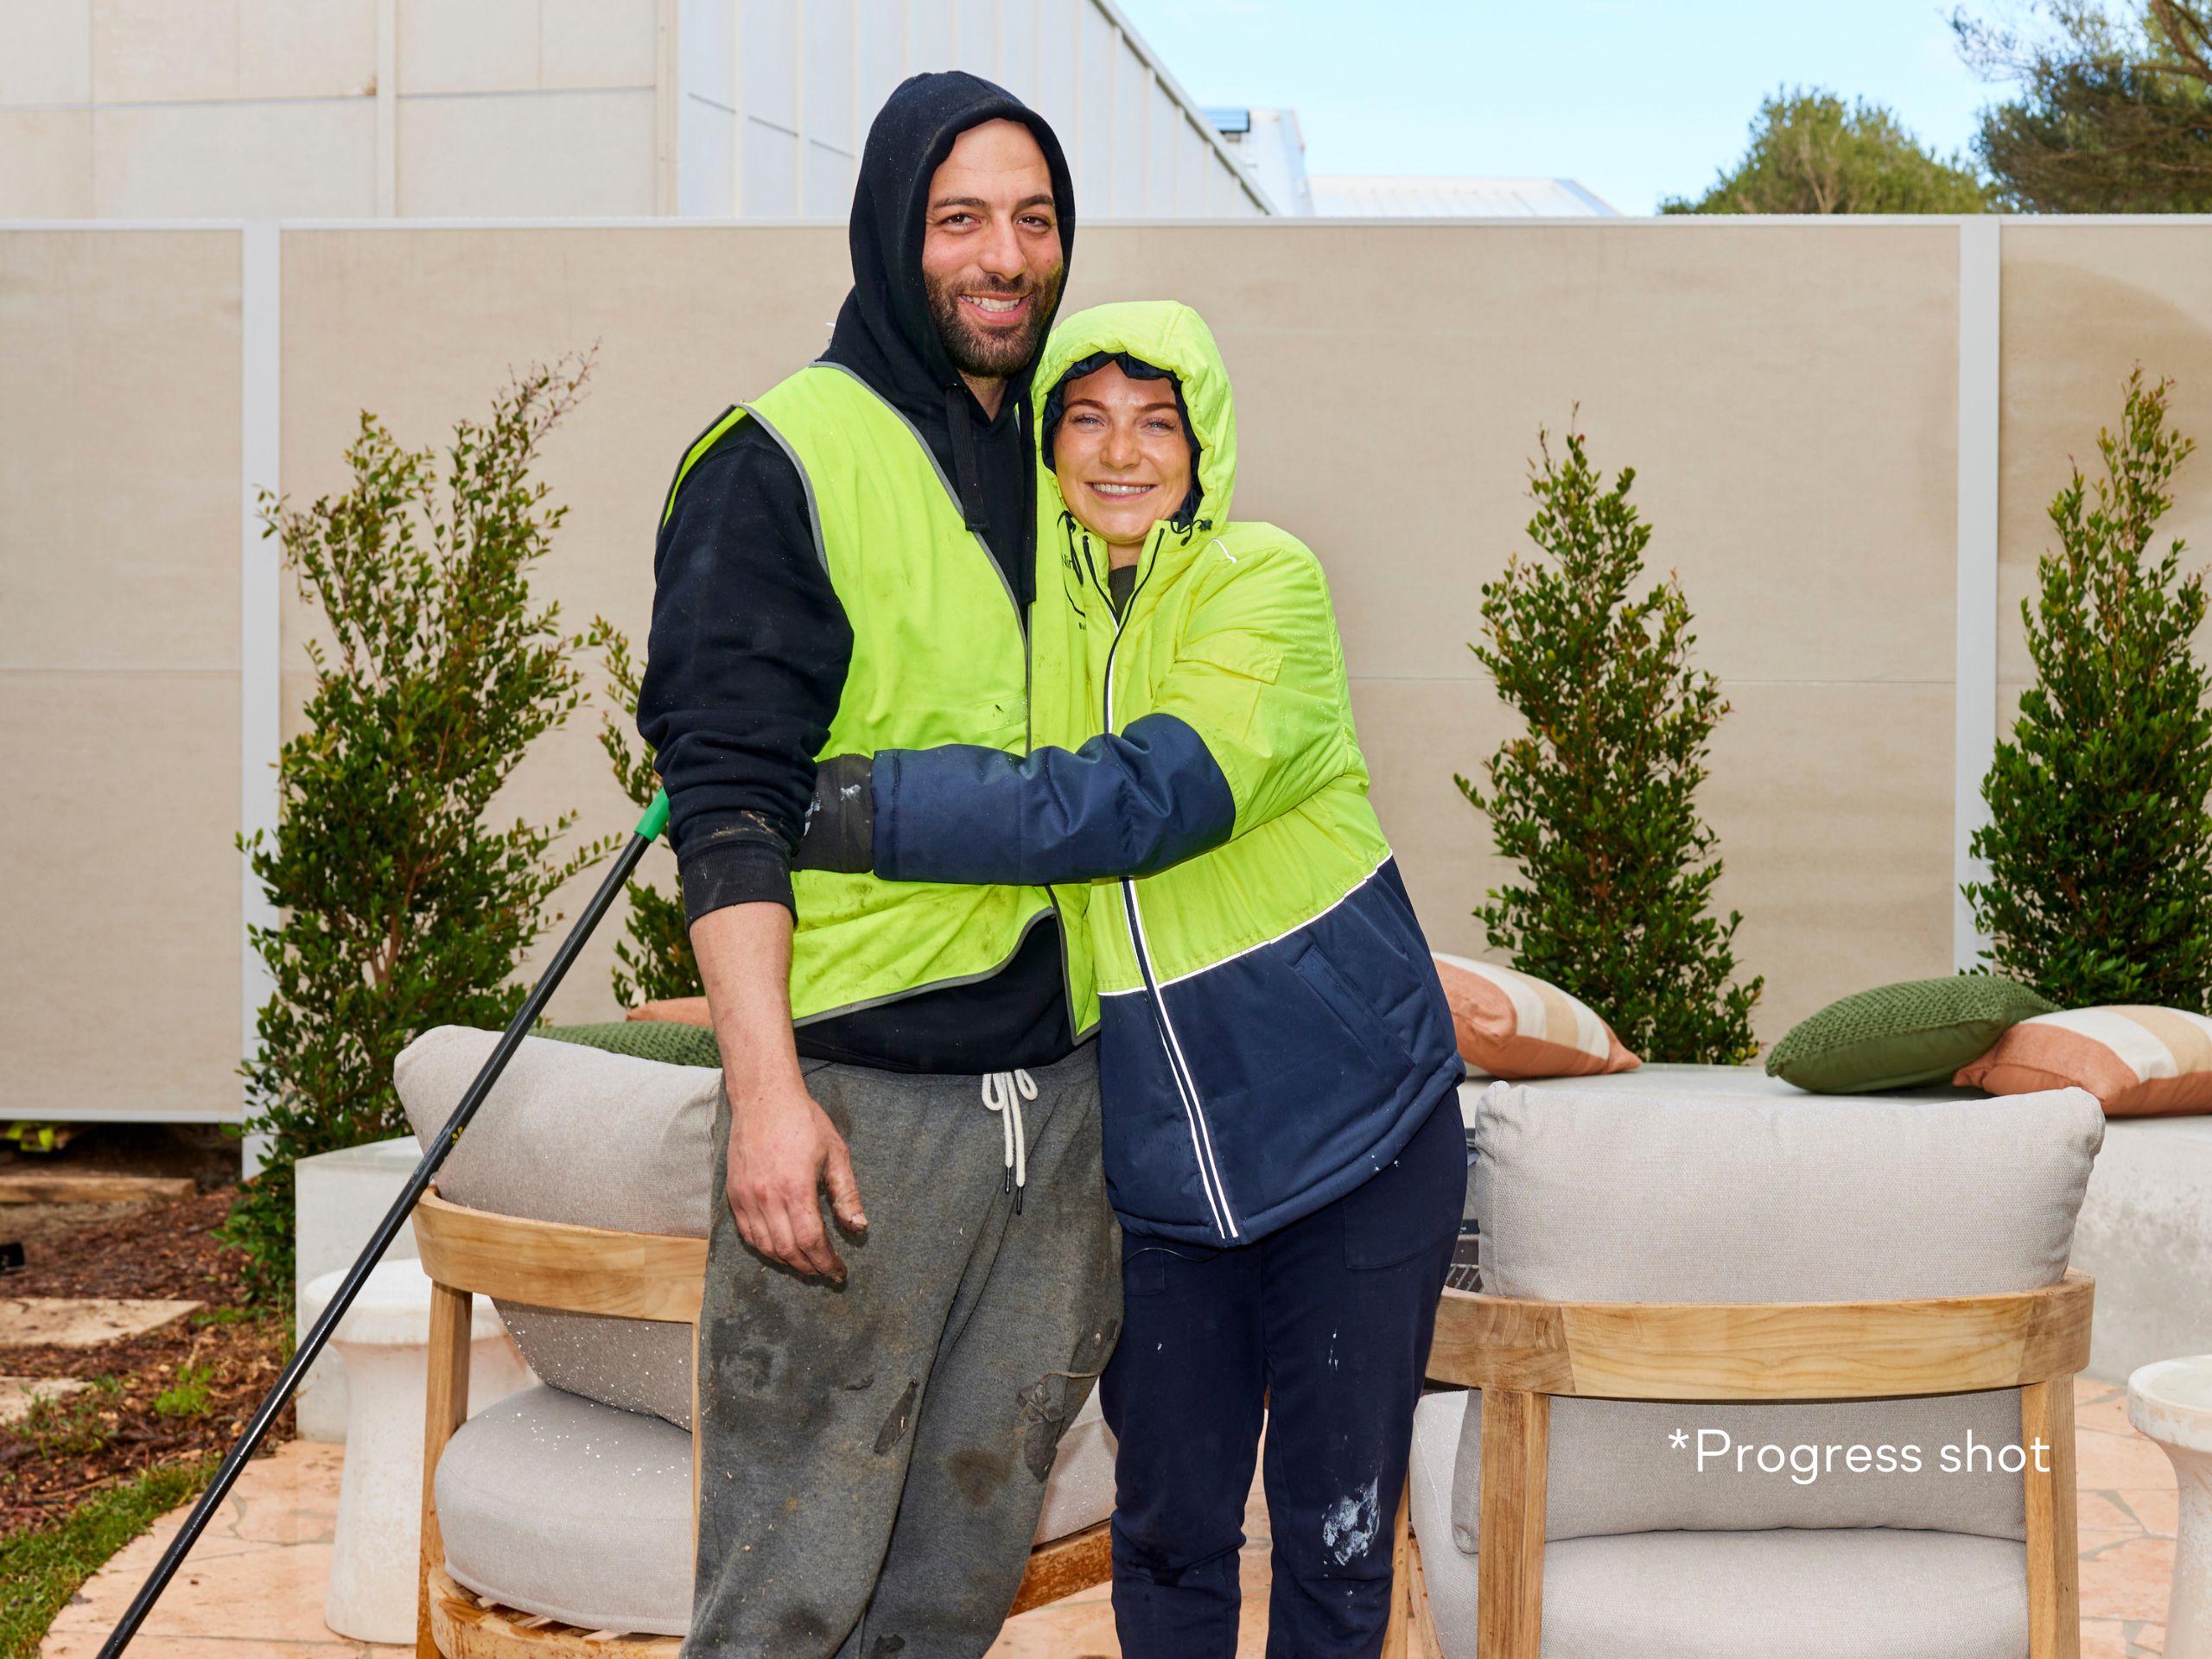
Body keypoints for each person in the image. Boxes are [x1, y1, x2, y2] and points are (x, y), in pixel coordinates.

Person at [799, 300, 1469, 1658]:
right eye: (1086, 418)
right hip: (1161, 1180)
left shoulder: (1262, 581)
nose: (1120, 452)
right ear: (1045, 448)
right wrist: (749, 751)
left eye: (1156, 421)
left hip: (1358, 1145)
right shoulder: (1032, 619)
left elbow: (1141, 798)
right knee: (1166, 1537)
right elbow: (919, 695)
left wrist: (853, 809)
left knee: (1336, 1549)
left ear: (1202, 440)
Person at [636, 73, 1121, 1659]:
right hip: (860, 1113)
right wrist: (768, 1100)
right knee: (788, 1587)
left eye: (1034, 220)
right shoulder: (778, 460)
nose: (1005, 255)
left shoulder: (1069, 475)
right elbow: (726, 806)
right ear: (892, 232)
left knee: (956, 1577)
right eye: (961, 217)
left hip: (1051, 1112)